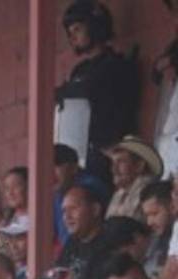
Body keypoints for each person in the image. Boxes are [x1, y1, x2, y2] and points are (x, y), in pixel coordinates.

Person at [56, 0, 141, 182]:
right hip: (79, 154)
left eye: (77, 29)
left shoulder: (116, 65)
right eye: (70, 33)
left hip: (105, 156)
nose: (73, 37)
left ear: (95, 26)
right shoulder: (80, 70)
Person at [106, 136, 164, 221]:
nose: (113, 169)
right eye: (113, 162)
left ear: (139, 166)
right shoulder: (120, 193)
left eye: (121, 161)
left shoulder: (147, 190)